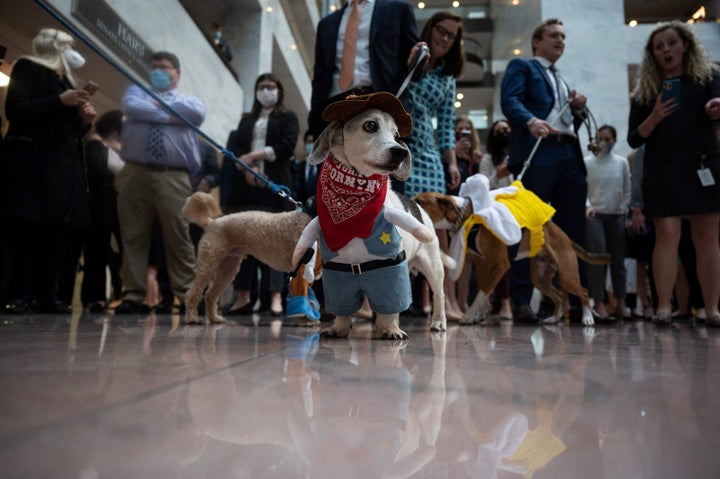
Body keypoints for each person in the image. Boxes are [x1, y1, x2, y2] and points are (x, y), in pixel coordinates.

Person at [627, 20, 720, 326]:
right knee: (667, 235)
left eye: (671, 43)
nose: (666, 49)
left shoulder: (710, 77)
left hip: (702, 164)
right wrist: (655, 116)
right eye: (659, 46)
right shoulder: (646, 92)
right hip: (663, 168)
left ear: (685, 46)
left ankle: (711, 308)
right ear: (652, 54)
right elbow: (634, 138)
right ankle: (664, 306)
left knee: (707, 236)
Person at [0, 28, 96, 314]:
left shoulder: (65, 80)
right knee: (26, 231)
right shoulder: (28, 67)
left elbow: (68, 128)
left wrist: (84, 120)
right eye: (68, 46)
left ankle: (44, 293)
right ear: (54, 46)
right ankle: (16, 293)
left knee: (56, 234)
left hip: (63, 169)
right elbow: (15, 111)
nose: (72, 51)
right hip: (34, 163)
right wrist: (59, 101)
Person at [500, 18, 589, 322]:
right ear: (537, 41)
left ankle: (574, 303)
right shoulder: (522, 67)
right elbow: (509, 100)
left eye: (563, 36)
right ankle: (522, 301)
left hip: (570, 152)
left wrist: (577, 108)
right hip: (538, 151)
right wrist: (530, 121)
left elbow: (569, 121)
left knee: (573, 230)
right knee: (529, 227)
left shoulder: (563, 80)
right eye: (553, 35)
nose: (560, 40)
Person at [114, 51, 206, 315]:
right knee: (132, 235)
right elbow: (132, 108)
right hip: (135, 172)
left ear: (176, 72)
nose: (157, 71)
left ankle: (189, 295)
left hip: (173, 175)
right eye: (154, 67)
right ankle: (133, 294)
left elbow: (195, 114)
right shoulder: (136, 92)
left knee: (178, 235)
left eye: (164, 67)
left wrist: (153, 111)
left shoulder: (190, 101)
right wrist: (170, 116)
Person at [221, 73, 299, 316]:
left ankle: (275, 297)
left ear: (279, 91)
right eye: (261, 87)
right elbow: (236, 150)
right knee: (244, 240)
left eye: (271, 87)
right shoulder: (246, 119)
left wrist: (254, 157)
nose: (266, 91)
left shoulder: (288, 117)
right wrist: (247, 168)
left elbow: (287, 146)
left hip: (276, 188)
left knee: (276, 241)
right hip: (246, 188)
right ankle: (243, 296)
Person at [308, 0, 425, 140]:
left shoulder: (398, 9)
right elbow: (319, 78)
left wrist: (417, 61)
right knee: (334, 162)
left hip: (380, 105)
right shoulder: (327, 24)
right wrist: (313, 125)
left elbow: (415, 66)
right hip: (335, 110)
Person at [403, 10, 463, 198]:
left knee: (434, 215)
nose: (444, 39)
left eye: (450, 36)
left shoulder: (448, 79)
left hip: (427, 151)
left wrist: (452, 163)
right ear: (430, 28)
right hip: (400, 142)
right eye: (441, 31)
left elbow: (446, 125)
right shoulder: (408, 53)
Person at [584, 124, 631, 320]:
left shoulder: (621, 162)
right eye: (601, 138)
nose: (605, 142)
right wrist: (587, 205)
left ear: (615, 140)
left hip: (616, 215)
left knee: (618, 261)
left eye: (608, 139)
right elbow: (582, 188)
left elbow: (627, 189)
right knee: (597, 259)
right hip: (595, 216)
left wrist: (625, 209)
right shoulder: (588, 162)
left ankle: (621, 303)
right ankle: (599, 303)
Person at [81, 109, 125, 313]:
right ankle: (94, 297)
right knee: (97, 251)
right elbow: (97, 170)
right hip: (100, 202)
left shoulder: (124, 149)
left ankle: (126, 294)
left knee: (124, 253)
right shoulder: (95, 141)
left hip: (119, 204)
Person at [478, 119, 514, 321]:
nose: (505, 134)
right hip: (495, 213)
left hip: (515, 210)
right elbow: (484, 186)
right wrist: (498, 175)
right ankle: (502, 302)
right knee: (498, 258)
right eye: (500, 131)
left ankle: (514, 302)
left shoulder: (518, 156)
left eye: (507, 130)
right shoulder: (487, 159)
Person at [452, 115, 482, 195]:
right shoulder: (449, 154)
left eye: (468, 129)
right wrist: (454, 151)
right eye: (460, 129)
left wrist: (477, 164)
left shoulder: (475, 154)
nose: (464, 131)